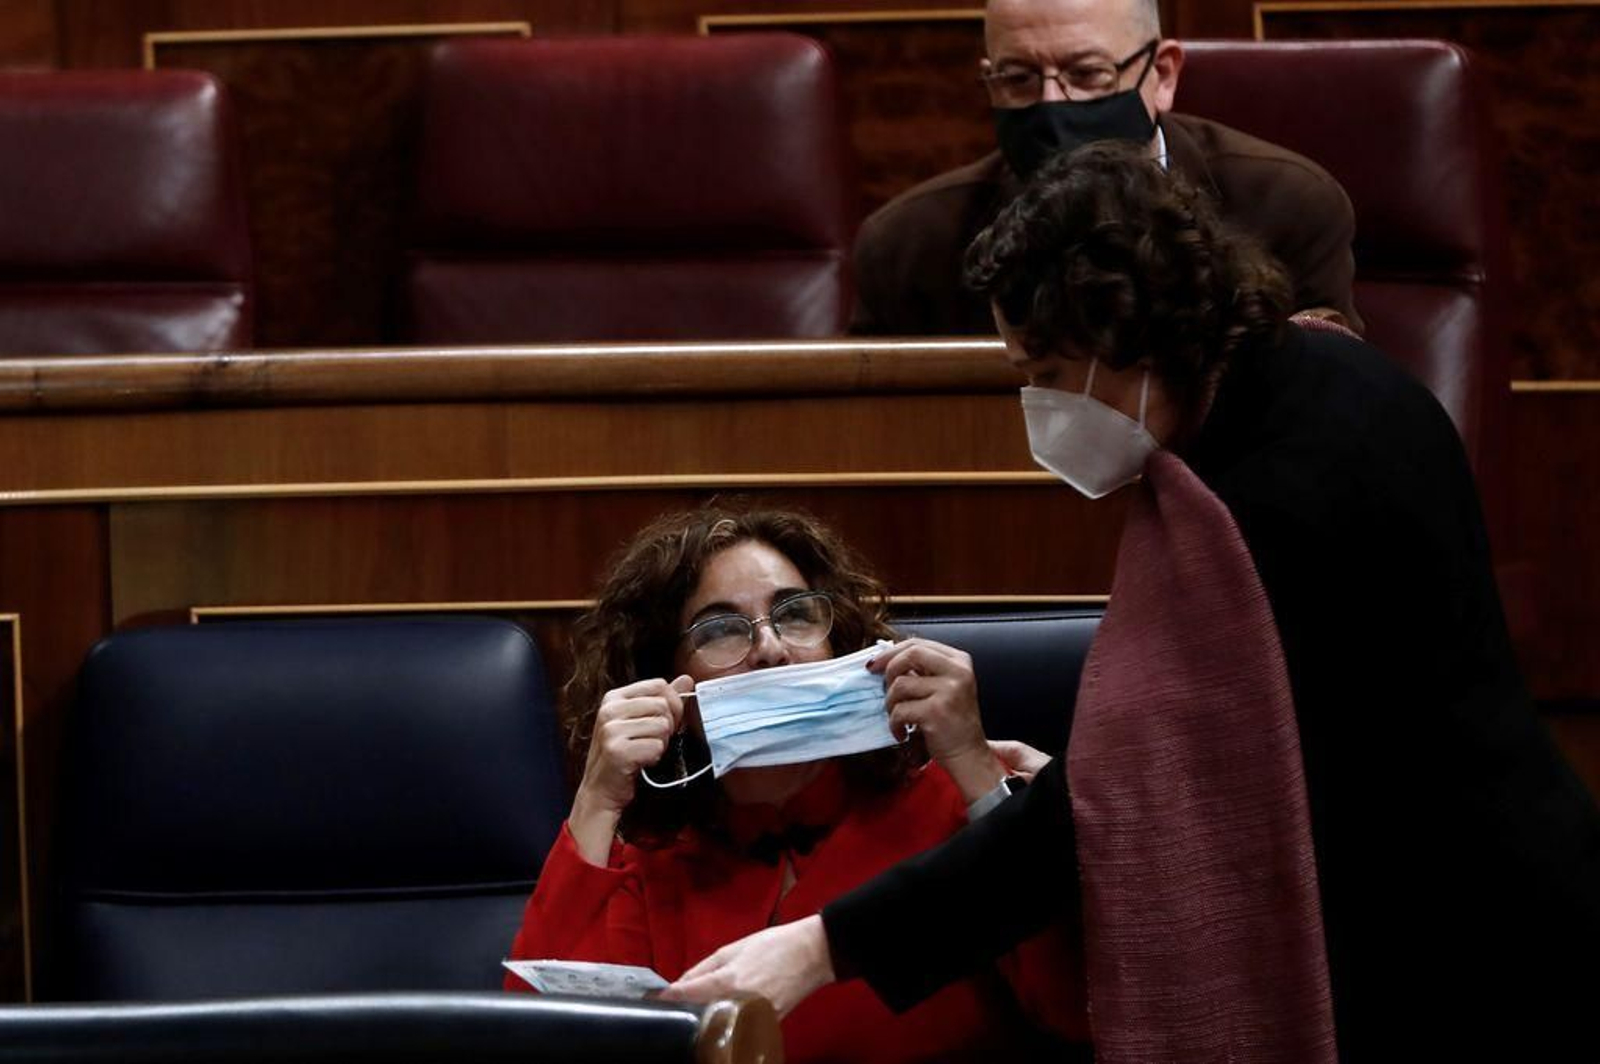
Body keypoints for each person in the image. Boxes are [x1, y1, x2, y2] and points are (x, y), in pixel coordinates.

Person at [665, 144, 1600, 1060]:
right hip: (1515, 888)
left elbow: (1096, 821)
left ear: (1121, 338)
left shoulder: (1256, 507)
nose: (1034, 404)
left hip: (1458, 959)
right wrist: (1120, 765)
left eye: (1042, 372)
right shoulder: (1335, 376)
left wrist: (820, 948)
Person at [503, 505, 1088, 1063]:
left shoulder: (953, 804)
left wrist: (972, 764)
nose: (771, 649)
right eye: (721, 630)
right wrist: (598, 798)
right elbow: (538, 1043)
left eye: (797, 615)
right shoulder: (654, 863)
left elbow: (1076, 1013)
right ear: (669, 685)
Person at [850, 0, 1361, 337]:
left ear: (1161, 74)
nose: (1052, 104)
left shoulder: (1287, 206)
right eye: (1019, 77)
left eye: (1087, 74)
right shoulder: (908, 245)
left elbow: (1325, 415)